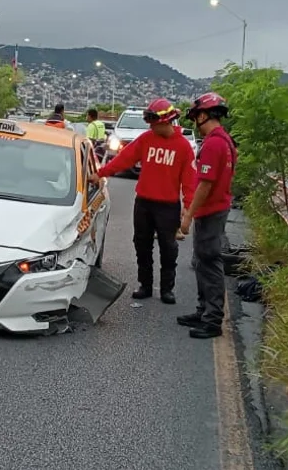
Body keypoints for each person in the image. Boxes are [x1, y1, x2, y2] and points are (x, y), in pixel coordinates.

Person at [89, 98, 195, 304]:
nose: (152, 127)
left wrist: (188, 208)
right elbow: (124, 158)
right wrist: (101, 173)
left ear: (166, 121)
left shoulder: (183, 147)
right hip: (144, 203)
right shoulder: (146, 139)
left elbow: (190, 181)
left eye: (155, 123)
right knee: (142, 244)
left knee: (168, 248)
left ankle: (167, 289)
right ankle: (145, 285)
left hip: (168, 206)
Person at [176, 92, 237, 339]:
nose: (194, 124)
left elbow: (205, 185)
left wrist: (188, 215)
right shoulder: (226, 141)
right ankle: (203, 311)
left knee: (209, 264)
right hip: (216, 209)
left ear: (203, 115)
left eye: (195, 118)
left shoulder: (213, 144)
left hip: (211, 212)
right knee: (202, 262)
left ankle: (212, 320)